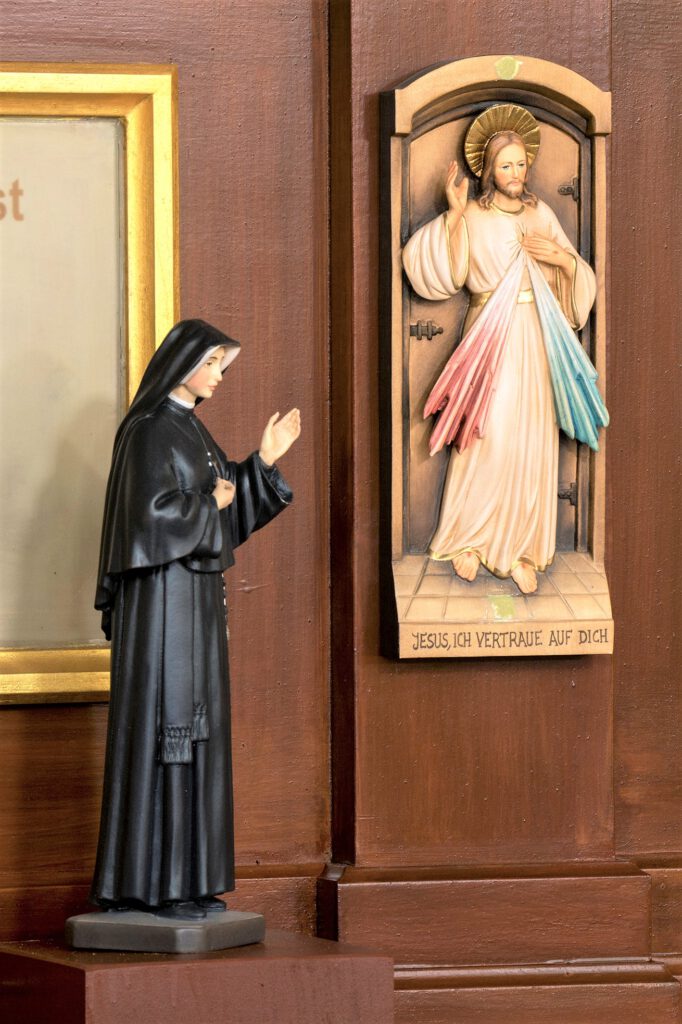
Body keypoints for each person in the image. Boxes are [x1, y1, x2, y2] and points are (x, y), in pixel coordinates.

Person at [90, 319, 300, 920]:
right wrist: (209, 503)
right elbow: (148, 520)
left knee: (198, 737)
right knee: (164, 731)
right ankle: (151, 887)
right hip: (161, 609)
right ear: (181, 362)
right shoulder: (148, 431)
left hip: (196, 605)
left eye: (221, 366)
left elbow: (225, 513)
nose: (218, 376)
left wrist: (263, 461)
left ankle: (191, 880)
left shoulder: (191, 428)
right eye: (211, 363)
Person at [402, 104, 608, 594]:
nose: (515, 173)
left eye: (520, 164)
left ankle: (523, 550)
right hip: (489, 339)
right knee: (485, 433)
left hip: (534, 339)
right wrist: (454, 215)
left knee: (530, 440)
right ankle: (469, 540)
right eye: (505, 165)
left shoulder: (541, 214)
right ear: (488, 171)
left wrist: (562, 260)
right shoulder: (474, 214)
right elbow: (442, 274)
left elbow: (577, 277)